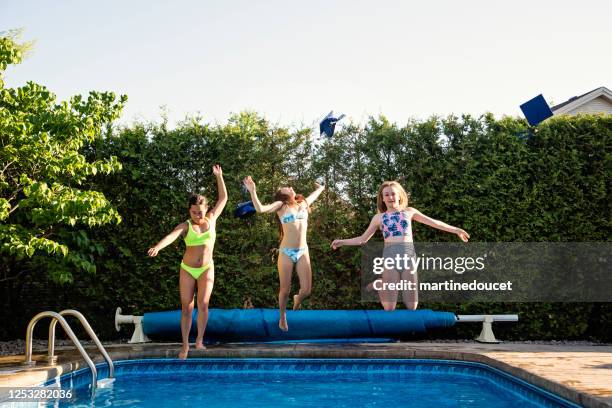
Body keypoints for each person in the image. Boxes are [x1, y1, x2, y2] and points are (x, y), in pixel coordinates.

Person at [331, 181, 469, 311]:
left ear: (399, 196)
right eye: (386, 195)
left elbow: (435, 223)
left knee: (412, 306)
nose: (390, 197)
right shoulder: (378, 218)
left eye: (393, 193)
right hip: (390, 259)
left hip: (409, 258)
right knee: (389, 307)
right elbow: (362, 239)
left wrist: (456, 230)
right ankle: (379, 284)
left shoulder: (409, 212)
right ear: (383, 199)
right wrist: (343, 242)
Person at [148, 165, 227, 358]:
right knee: (186, 307)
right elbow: (172, 236)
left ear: (206, 209)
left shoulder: (212, 218)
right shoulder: (185, 226)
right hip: (188, 269)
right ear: (189, 211)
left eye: (201, 211)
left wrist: (219, 176)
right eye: (194, 212)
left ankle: (199, 340)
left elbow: (223, 198)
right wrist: (158, 246)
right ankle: (185, 345)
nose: (198, 216)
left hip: (207, 268)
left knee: (204, 304)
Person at [243, 176, 325, 331]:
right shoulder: (281, 205)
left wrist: (320, 187)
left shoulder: (303, 203)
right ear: (282, 194)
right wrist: (253, 191)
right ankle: (282, 316)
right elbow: (261, 209)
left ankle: (298, 298)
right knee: (285, 289)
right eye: (285, 187)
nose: (289, 186)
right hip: (286, 252)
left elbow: (317, 193)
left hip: (303, 251)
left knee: (306, 290)